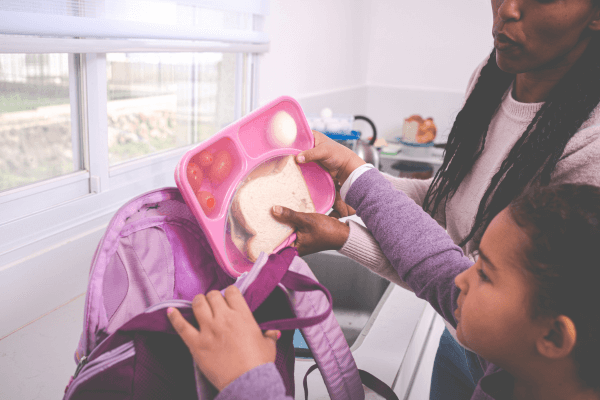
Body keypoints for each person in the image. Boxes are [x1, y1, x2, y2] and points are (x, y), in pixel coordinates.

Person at [279, 0, 600, 397]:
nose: (508, 10)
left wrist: (356, 187)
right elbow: (448, 207)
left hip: (494, 341)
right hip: (465, 335)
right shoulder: (494, 75)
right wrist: (351, 192)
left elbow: (446, 277)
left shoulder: (592, 146)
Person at [167, 143, 600, 399]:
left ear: (553, 337)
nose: (462, 275)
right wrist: (355, 174)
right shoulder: (524, 364)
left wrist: (250, 383)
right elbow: (435, 263)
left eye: (484, 273)